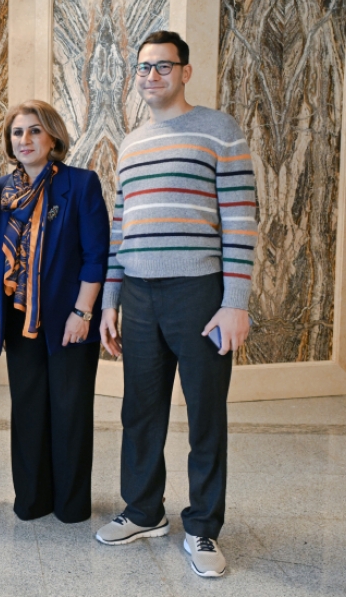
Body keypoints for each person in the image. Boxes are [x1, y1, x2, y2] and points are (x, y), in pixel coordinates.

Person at [95, 31, 256, 579]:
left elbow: (240, 220)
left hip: (199, 293)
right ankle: (144, 511)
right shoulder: (131, 143)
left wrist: (235, 302)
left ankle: (203, 526)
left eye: (163, 66)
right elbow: (121, 229)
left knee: (206, 413)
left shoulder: (219, 130)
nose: (151, 76)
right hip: (139, 294)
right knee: (140, 410)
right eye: (143, 68)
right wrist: (110, 301)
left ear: (185, 72)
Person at [0, 100, 109, 524]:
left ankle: (71, 506)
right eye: (17, 132)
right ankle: (32, 500)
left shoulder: (80, 183)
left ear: (53, 136)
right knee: (28, 410)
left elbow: (96, 255)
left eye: (34, 130)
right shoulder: (2, 190)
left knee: (70, 411)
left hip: (69, 319)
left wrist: (83, 312)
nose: (25, 140)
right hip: (19, 318)